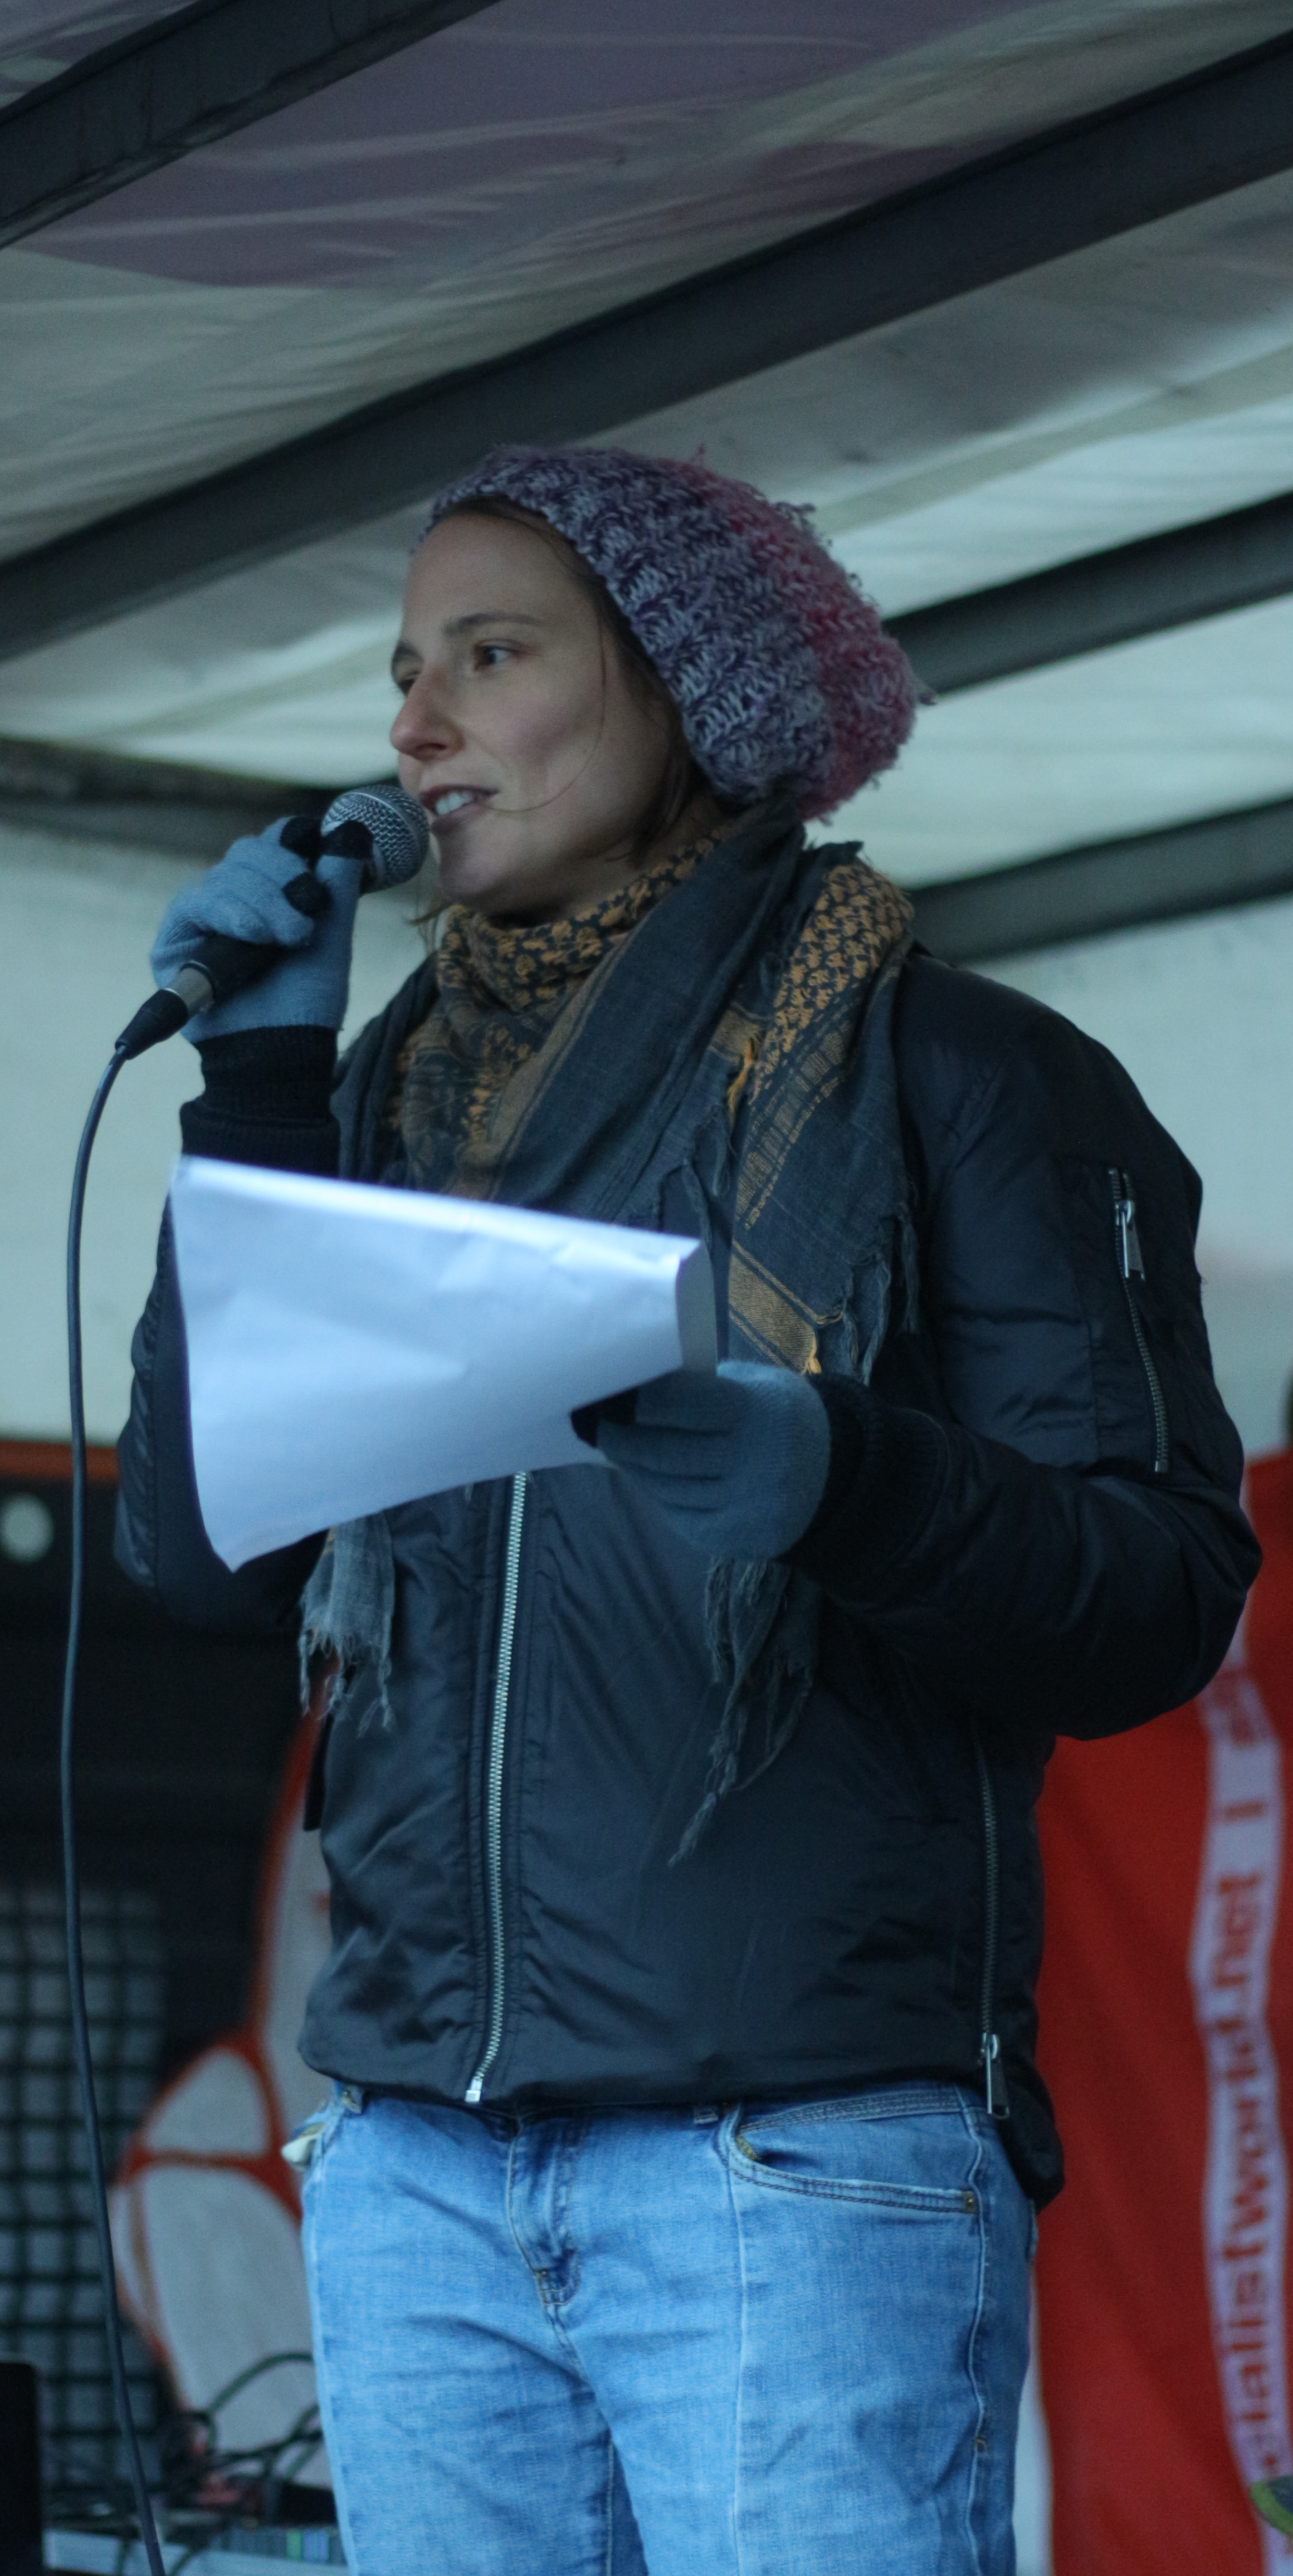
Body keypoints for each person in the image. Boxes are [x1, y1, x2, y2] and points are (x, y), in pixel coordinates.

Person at [116, 445, 1258, 2576]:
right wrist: (256, 1101)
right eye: (402, 670)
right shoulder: (374, 1102)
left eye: (490, 655)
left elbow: (1156, 1596)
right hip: (418, 2172)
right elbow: (203, 1556)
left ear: (686, 695)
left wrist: (848, 1478)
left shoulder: (961, 1074)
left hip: (791, 2158)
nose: (414, 726)